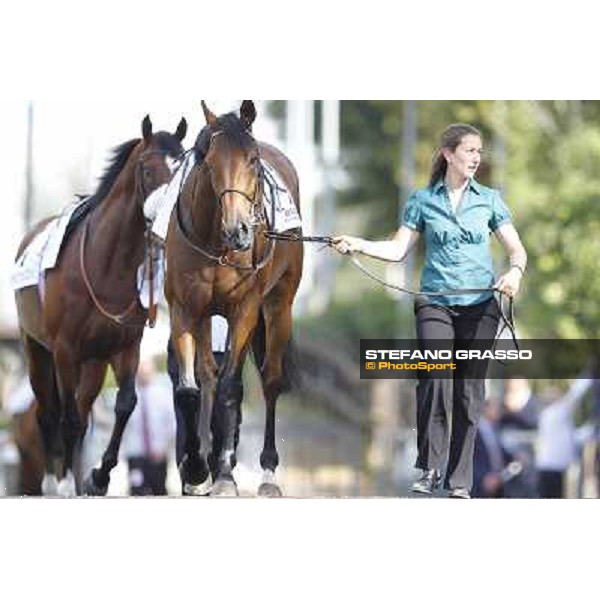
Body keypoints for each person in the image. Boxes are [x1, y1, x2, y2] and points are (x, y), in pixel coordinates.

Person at [333, 123, 527, 498]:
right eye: (469, 150)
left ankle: (459, 481)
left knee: (469, 393)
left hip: (481, 305)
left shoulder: (489, 200)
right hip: (435, 302)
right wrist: (356, 243)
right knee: (435, 381)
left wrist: (514, 272)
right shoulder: (422, 201)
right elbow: (397, 250)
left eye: (479, 152)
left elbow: (517, 250)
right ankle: (430, 468)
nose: (475, 157)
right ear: (448, 154)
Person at [122, 358, 176, 496]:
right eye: (140, 372)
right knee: (137, 490)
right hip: (136, 454)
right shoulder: (128, 396)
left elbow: (171, 424)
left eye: (146, 372)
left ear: (152, 372)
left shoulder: (163, 395)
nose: (143, 375)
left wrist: (164, 447)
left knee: (159, 490)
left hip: (158, 454)